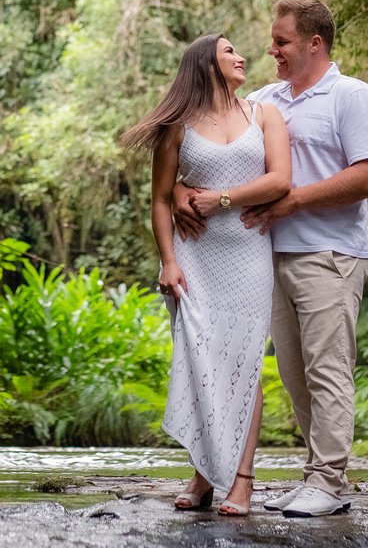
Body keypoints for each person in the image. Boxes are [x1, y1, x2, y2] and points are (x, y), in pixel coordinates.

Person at [173, 0, 368, 519]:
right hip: (267, 256)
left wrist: (294, 199)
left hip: (330, 254)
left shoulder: (351, 96)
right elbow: (222, 150)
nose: (271, 50)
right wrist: (179, 190)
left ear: (315, 43)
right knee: (294, 373)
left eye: (282, 41)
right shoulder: (268, 99)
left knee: (328, 369)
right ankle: (318, 476)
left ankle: (329, 479)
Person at [122, 33, 291, 516]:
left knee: (244, 364)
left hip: (248, 256)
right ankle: (202, 475)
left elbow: (280, 180)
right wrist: (169, 261)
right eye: (229, 52)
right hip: (193, 258)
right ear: (206, 66)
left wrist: (219, 199)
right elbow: (158, 198)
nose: (242, 58)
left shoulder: (264, 115)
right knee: (202, 363)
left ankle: (242, 480)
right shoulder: (178, 126)